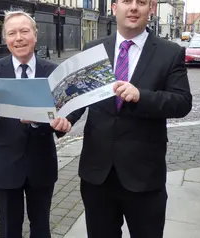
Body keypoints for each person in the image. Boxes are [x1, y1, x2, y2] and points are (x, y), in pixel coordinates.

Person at [57, 0, 192, 237]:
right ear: (113, 7)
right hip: (97, 175)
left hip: (144, 176)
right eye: (126, 1)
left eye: (141, 2)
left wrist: (142, 96)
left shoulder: (170, 52)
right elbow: (79, 96)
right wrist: (63, 120)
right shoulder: (93, 49)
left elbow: (182, 102)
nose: (133, 8)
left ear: (151, 8)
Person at [0, 11, 71, 238]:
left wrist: (57, 123)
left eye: (24, 31)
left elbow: (64, 115)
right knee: (8, 230)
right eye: (12, 33)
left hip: (41, 165)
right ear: (5, 38)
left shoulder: (53, 72)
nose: (19, 38)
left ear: (35, 35)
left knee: (41, 228)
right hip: (5, 166)